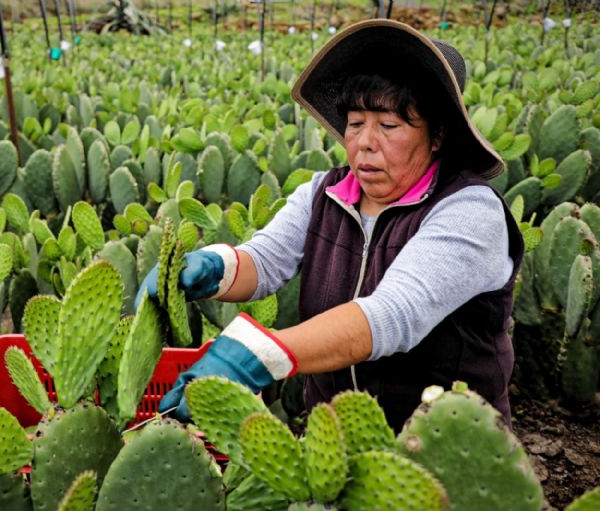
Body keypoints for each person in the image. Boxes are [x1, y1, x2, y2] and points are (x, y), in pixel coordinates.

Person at [136, 19, 524, 431]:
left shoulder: (469, 210)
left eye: (389, 125)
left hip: (443, 447)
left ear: (437, 135)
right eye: (355, 124)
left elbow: (393, 314)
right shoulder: (324, 193)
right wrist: (213, 267)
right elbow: (265, 260)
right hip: (334, 440)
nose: (365, 142)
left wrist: (264, 352)